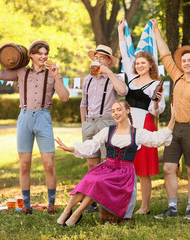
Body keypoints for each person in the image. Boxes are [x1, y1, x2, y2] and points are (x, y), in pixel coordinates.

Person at [55, 100, 176, 226]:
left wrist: (172, 119)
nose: (115, 113)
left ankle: (77, 213)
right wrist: (72, 148)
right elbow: (92, 145)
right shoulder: (108, 131)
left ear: (127, 111)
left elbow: (157, 139)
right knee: (89, 178)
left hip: (124, 174)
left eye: (119, 110)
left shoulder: (137, 132)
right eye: (113, 111)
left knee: (98, 182)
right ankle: (67, 210)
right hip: (107, 167)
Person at [0, 40, 70, 215]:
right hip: (25, 117)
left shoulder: (52, 74)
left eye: (45, 53)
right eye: (39, 53)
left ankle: (51, 203)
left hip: (43, 117)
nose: (43, 56)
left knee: (49, 164)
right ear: (31, 55)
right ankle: (26, 205)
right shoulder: (21, 72)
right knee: (24, 164)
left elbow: (65, 97)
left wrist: (57, 76)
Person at [151, 19, 190, 220]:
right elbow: (165, 54)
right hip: (174, 129)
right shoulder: (176, 76)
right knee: (168, 167)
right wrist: (156, 30)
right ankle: (172, 208)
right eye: (184, 60)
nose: (186, 63)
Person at [118, 18, 166, 215]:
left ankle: (145, 206)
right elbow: (124, 52)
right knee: (128, 166)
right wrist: (121, 30)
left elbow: (158, 111)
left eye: (143, 63)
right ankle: (126, 203)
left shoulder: (155, 84)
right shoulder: (132, 77)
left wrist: (155, 101)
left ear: (150, 65)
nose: (139, 66)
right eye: (137, 63)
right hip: (128, 124)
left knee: (143, 170)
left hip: (145, 123)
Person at [80, 45, 128, 212]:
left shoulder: (113, 77)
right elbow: (83, 104)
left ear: (108, 61)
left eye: (102, 58)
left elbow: (123, 90)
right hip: (89, 123)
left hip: (107, 123)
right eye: (96, 58)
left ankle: (107, 201)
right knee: (92, 163)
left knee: (109, 164)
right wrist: (83, 124)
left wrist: (108, 72)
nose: (98, 61)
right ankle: (92, 200)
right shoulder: (87, 79)